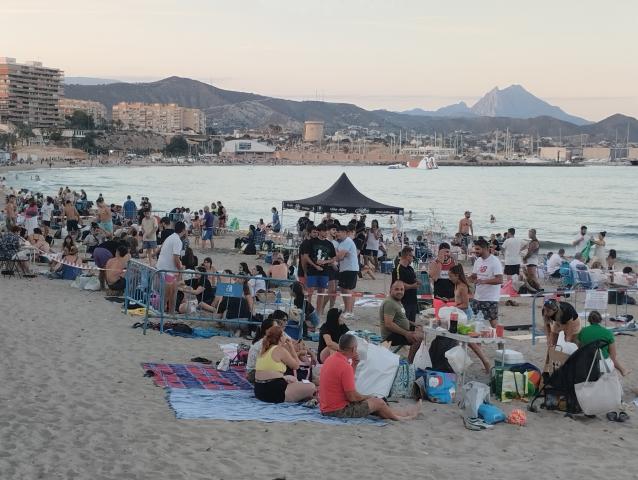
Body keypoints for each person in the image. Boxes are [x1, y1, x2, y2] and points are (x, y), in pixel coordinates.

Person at [319, 333, 421, 420]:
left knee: (375, 404)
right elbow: (352, 397)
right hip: (337, 411)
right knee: (379, 402)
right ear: (354, 349)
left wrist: (354, 364)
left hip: (327, 407)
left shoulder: (331, 359)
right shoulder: (345, 366)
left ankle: (402, 413)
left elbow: (347, 383)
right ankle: (401, 418)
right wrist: (369, 396)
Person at [254, 326, 316, 403]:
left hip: (258, 391)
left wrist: (285, 378)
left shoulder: (264, 350)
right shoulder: (280, 349)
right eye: (284, 335)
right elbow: (296, 366)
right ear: (280, 338)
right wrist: (291, 347)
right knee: (311, 386)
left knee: (293, 380)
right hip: (274, 392)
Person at [448, 264, 491, 372]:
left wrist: (453, 307)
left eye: (451, 276)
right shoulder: (457, 285)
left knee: (471, 342)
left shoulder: (462, 286)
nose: (449, 278)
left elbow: (466, 305)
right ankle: (462, 363)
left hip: (466, 315)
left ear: (457, 275)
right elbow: (459, 299)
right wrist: (450, 301)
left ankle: (486, 362)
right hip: (460, 314)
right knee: (465, 341)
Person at [379, 281, 424, 363]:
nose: (399, 292)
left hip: (398, 333)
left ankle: (410, 361)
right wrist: (406, 333)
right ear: (391, 290)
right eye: (396, 289)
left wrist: (413, 323)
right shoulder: (390, 303)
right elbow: (388, 324)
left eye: (401, 289)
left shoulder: (397, 301)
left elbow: (401, 318)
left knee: (421, 331)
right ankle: (409, 362)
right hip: (390, 336)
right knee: (418, 337)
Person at [578, 311, 629, 376]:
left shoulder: (582, 331)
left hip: (587, 363)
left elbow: (579, 349)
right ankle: (623, 370)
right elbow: (613, 355)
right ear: (600, 320)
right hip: (603, 364)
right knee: (611, 359)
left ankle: (623, 370)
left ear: (589, 320)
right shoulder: (607, 332)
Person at [469, 238, 503, 328]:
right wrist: (464, 278)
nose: (475, 251)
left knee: (493, 322)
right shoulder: (478, 260)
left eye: (477, 249)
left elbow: (500, 280)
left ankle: (499, 337)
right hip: (478, 297)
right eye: (475, 249)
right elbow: (474, 276)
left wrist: (483, 281)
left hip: (491, 298)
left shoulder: (495, 261)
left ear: (485, 249)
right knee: (473, 321)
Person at [156, 221, 187, 314]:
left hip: (162, 267)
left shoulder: (171, 237)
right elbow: (176, 258)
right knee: (169, 293)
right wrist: (180, 268)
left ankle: (170, 312)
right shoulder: (177, 240)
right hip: (167, 270)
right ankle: (164, 312)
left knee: (172, 293)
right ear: (183, 230)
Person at [335, 225, 359, 315]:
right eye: (337, 232)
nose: (337, 234)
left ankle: (349, 311)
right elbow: (340, 256)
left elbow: (339, 257)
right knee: (344, 289)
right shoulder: (342, 243)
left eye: (339, 232)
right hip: (345, 268)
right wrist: (339, 254)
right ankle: (347, 309)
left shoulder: (347, 241)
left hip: (350, 269)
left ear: (344, 232)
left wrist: (337, 254)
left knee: (347, 290)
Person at [392, 246, 420, 323]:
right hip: (403, 302)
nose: (413, 258)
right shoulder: (398, 269)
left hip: (412, 301)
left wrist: (417, 281)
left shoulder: (410, 268)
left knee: (411, 324)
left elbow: (413, 279)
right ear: (407, 256)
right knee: (402, 324)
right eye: (412, 256)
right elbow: (399, 286)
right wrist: (412, 286)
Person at [428, 243, 455, 318]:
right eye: (442, 252)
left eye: (447, 252)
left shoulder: (454, 263)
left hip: (452, 299)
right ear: (438, 253)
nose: (445, 254)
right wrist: (440, 262)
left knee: (451, 320)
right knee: (439, 320)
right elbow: (435, 278)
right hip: (439, 298)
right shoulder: (434, 263)